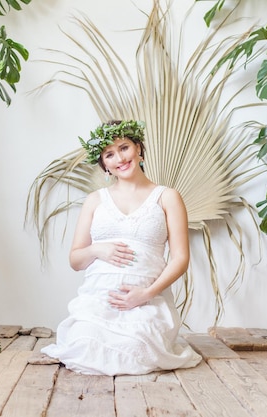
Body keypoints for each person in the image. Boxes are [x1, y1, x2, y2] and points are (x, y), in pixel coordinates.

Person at [40, 119, 202, 376]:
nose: (120, 158)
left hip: (146, 302)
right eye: (109, 154)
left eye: (124, 147)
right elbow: (75, 260)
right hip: (98, 302)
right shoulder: (95, 201)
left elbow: (180, 258)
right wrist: (98, 250)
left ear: (138, 148)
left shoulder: (167, 196)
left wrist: (146, 293)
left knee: (136, 348)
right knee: (84, 345)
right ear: (104, 164)